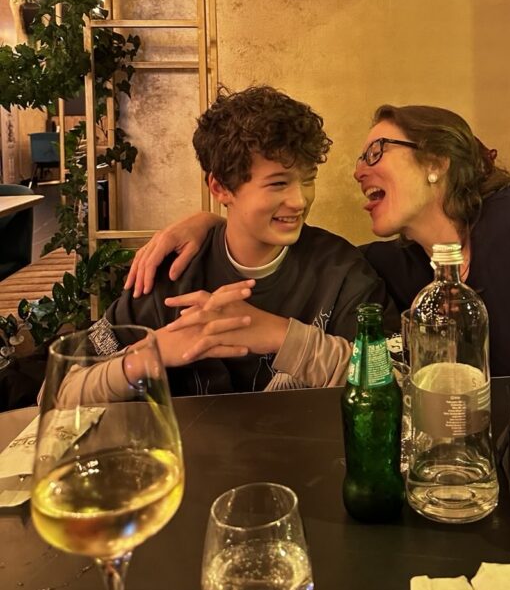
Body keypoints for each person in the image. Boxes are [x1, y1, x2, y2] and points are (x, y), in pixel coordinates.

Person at [127, 103, 510, 376]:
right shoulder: (404, 269)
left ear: (436, 162)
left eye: (376, 152)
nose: (356, 171)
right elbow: (289, 257)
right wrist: (213, 222)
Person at [80, 86, 397, 400]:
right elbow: (64, 390)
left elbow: (397, 384)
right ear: (220, 188)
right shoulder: (172, 273)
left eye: (308, 180)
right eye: (278, 184)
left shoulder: (341, 272)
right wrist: (151, 354)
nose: (299, 200)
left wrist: (283, 336)